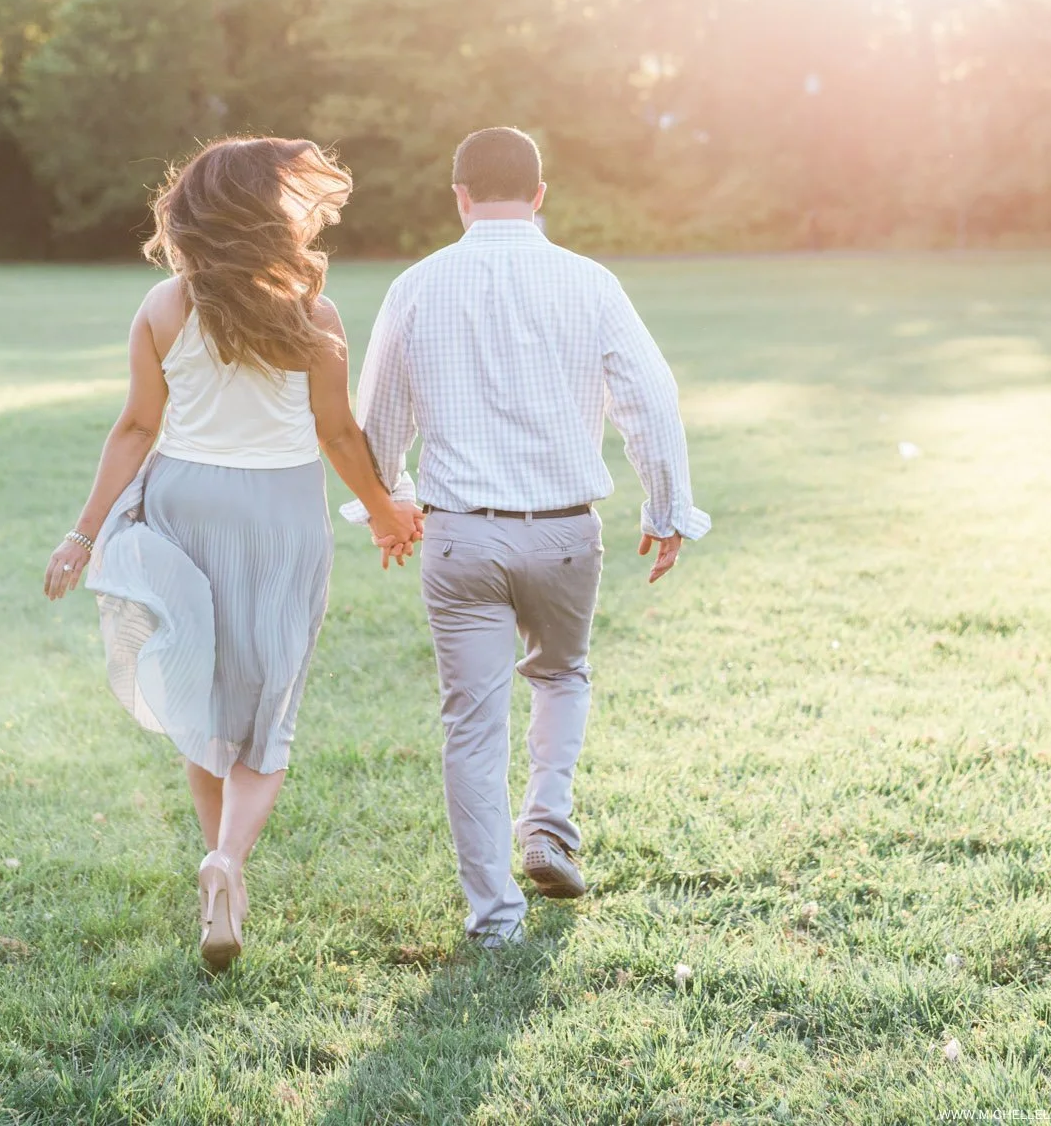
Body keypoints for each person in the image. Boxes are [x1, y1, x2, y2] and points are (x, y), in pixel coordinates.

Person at [42, 137, 421, 971]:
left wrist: (83, 533)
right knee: (267, 704)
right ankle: (228, 863)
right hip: (281, 511)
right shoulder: (312, 313)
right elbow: (338, 433)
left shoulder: (163, 306)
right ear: (266, 219)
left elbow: (137, 426)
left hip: (185, 500)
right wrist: (388, 511)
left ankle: (214, 857)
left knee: (200, 695)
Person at [346, 126, 710, 947]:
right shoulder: (589, 282)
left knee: (471, 727)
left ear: (461, 197)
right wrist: (667, 510)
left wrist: (391, 503)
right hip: (564, 535)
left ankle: (494, 916)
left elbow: (378, 415)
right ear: (540, 195)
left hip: (459, 538)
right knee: (560, 674)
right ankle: (546, 823)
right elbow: (651, 397)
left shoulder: (418, 284)